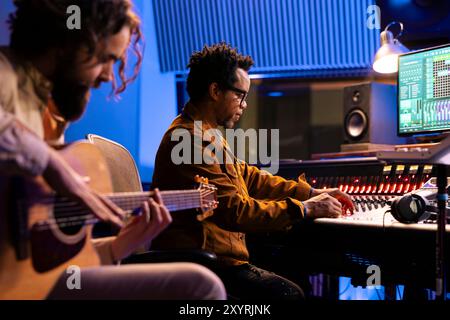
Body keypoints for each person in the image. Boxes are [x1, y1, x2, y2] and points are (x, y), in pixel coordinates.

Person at [0, 0, 225, 300]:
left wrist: (121, 245)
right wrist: (52, 166)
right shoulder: (6, 73)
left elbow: (42, 265)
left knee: (202, 284)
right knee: (200, 287)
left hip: (23, 285)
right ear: (72, 40)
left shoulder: (46, 112)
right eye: (106, 58)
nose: (108, 76)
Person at [151, 42, 355, 300]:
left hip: (221, 259)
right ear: (215, 90)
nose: (244, 105)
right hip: (207, 266)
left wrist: (312, 192)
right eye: (240, 95)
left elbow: (250, 177)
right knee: (289, 295)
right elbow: (235, 211)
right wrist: (306, 209)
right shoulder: (189, 140)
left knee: (295, 268)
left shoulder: (207, 134)